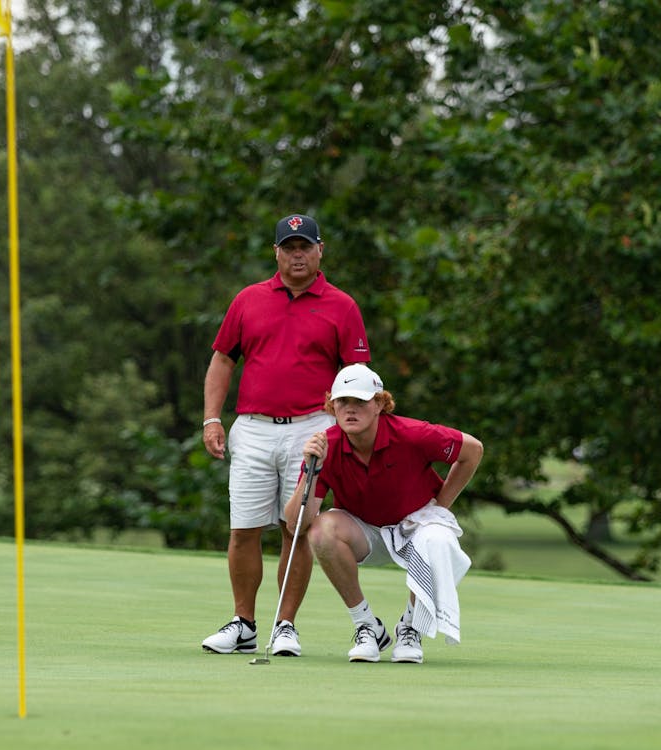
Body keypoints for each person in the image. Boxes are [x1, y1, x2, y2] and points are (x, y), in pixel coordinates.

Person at [201, 213, 371, 657]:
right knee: (243, 529)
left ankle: (284, 624)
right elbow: (223, 360)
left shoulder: (341, 305)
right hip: (253, 428)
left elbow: (356, 377)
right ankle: (244, 623)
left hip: (313, 429)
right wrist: (211, 418)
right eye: (289, 247)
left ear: (320, 251)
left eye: (305, 247)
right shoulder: (249, 300)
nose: (298, 255)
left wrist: (351, 432)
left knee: (295, 528)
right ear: (276, 252)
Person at [285, 364, 483, 663]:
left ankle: (410, 629)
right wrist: (312, 469)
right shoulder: (326, 446)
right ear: (332, 406)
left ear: (379, 404)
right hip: (364, 533)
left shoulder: (412, 434)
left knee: (438, 538)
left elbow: (473, 450)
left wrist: (440, 508)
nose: (350, 410)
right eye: (343, 402)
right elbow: (296, 526)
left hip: (416, 526)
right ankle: (366, 626)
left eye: (360, 402)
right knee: (321, 531)